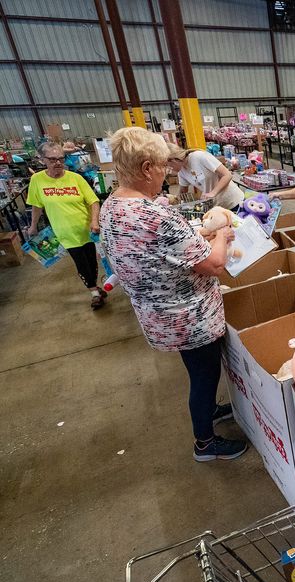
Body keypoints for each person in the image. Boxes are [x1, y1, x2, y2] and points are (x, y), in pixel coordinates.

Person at [101, 127, 247, 462]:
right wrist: (222, 235)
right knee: (204, 374)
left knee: (197, 371)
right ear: (146, 168)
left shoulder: (112, 207)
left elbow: (157, 254)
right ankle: (205, 443)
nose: (167, 173)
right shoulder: (154, 216)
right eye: (164, 166)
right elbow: (213, 265)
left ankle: (208, 409)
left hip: (159, 314)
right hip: (189, 317)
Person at [26, 142, 106, 309]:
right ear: (42, 160)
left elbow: (93, 201)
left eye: (61, 159)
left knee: (92, 262)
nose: (58, 163)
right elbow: (36, 206)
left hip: (87, 230)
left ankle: (95, 286)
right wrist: (33, 226)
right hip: (64, 232)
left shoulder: (76, 178)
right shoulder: (37, 180)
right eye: (53, 159)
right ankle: (94, 293)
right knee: (81, 263)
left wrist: (94, 221)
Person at [167, 144, 244, 209]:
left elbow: (227, 175)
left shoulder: (199, 157)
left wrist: (213, 193)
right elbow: (183, 191)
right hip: (217, 206)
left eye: (167, 165)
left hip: (233, 201)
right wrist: (173, 201)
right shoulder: (181, 170)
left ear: (173, 160)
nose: (168, 169)